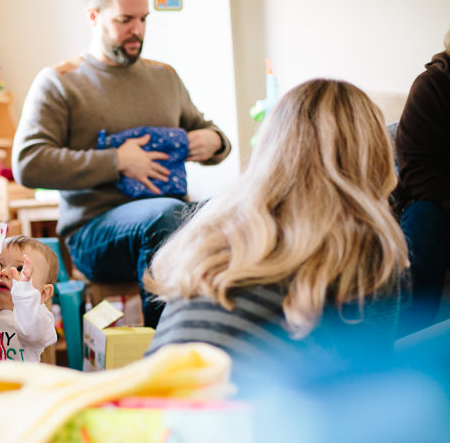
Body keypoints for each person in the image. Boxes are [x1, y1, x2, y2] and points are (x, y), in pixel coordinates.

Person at [143, 78, 410, 362]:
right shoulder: (367, 245)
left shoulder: (215, 221)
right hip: (242, 402)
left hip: (152, 396)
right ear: (375, 154)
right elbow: (371, 376)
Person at [11, 0, 231, 328]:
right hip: (95, 234)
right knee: (166, 218)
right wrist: (117, 161)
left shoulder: (165, 78)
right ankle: (167, 352)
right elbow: (28, 163)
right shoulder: (60, 81)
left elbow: (206, 129)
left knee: (242, 210)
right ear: (93, 16)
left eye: (144, 20)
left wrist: (216, 142)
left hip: (169, 218)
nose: (137, 31)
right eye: (125, 20)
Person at [390, 29, 450, 336]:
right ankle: (409, 335)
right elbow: (417, 170)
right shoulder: (433, 86)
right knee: (425, 220)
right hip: (431, 200)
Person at [0, 234, 59, 362]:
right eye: (0, 264)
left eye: (20, 269)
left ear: (43, 294)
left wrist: (24, 292)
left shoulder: (38, 318)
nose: (4, 273)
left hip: (21, 382)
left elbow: (35, 330)